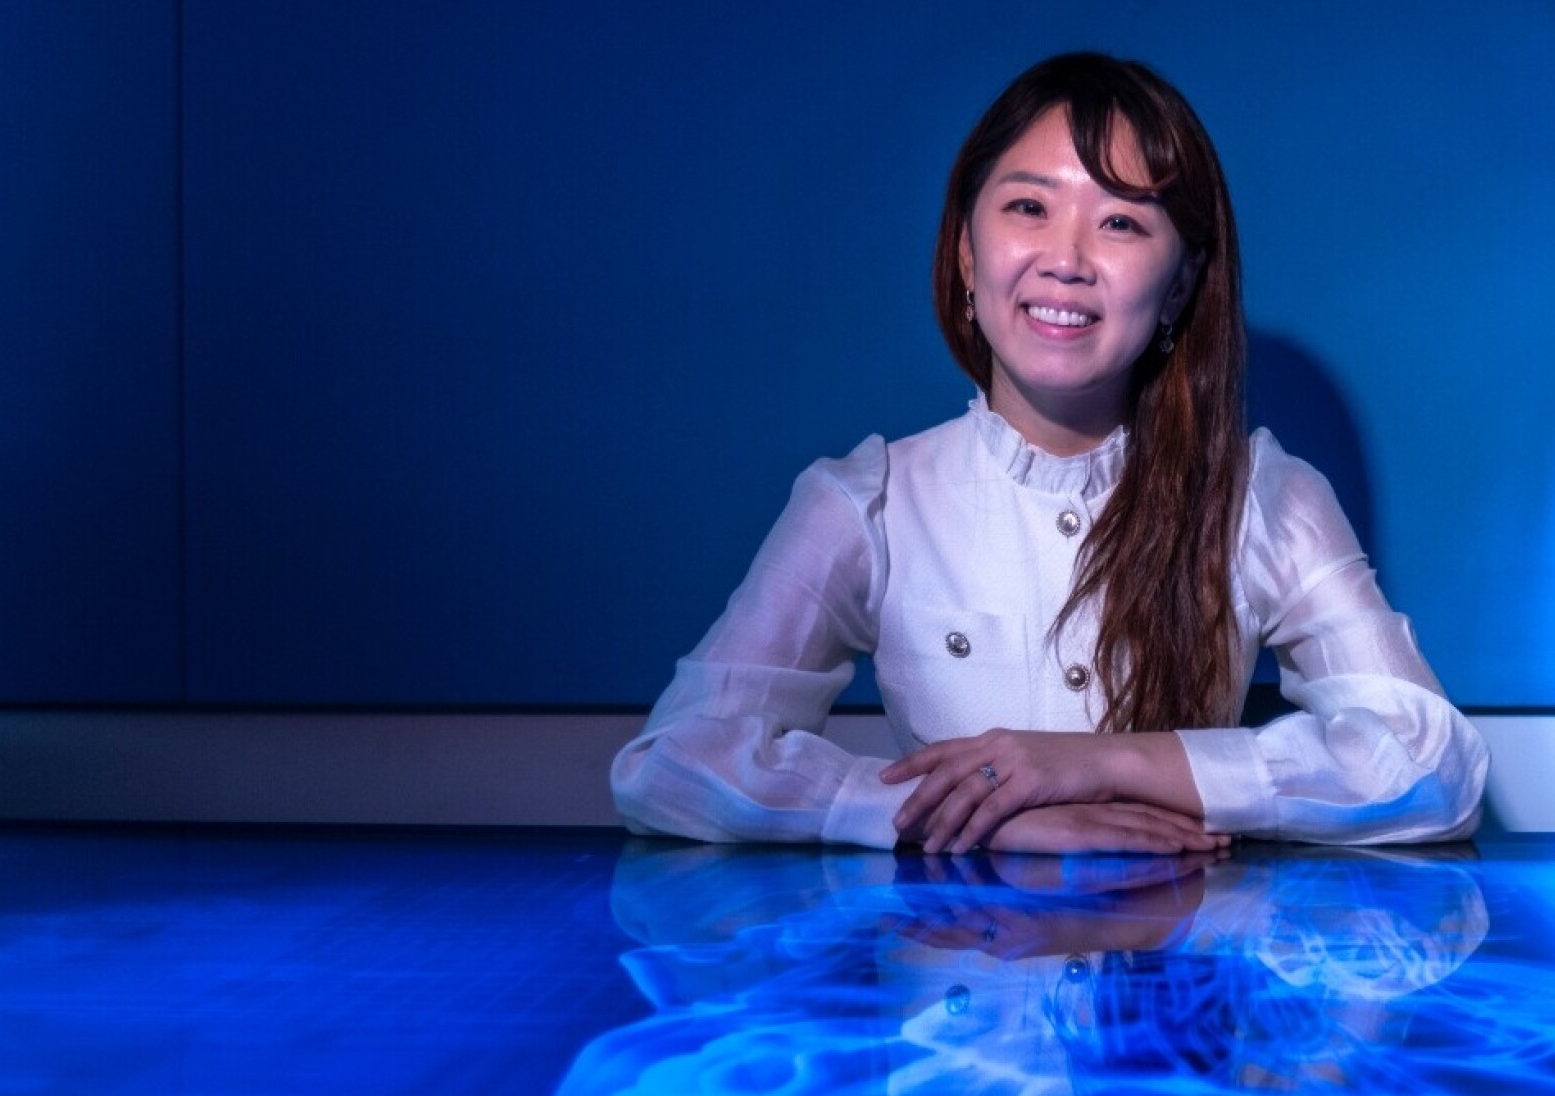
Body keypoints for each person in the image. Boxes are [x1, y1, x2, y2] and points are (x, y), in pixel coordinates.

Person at [610, 52, 1488, 854]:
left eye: (1121, 223)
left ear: (1180, 284)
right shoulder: (866, 501)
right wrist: (976, 816)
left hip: (1187, 971)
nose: (1066, 260)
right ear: (966, 251)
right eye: (1028, 208)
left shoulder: (1264, 495)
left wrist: (1097, 764)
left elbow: (1433, 767)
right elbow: (672, 762)